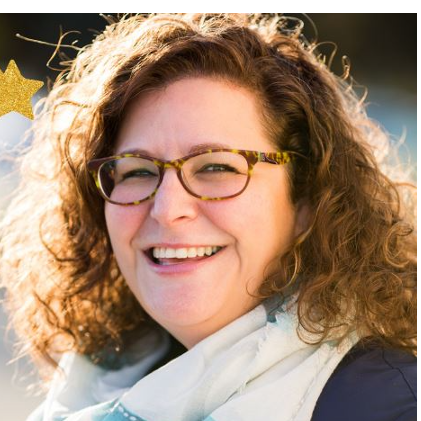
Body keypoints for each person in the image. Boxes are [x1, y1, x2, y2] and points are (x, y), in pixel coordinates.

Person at [0, 13, 416, 421]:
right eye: (137, 171)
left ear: (307, 199)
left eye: (217, 167)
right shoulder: (92, 389)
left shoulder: (394, 407)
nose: (167, 209)